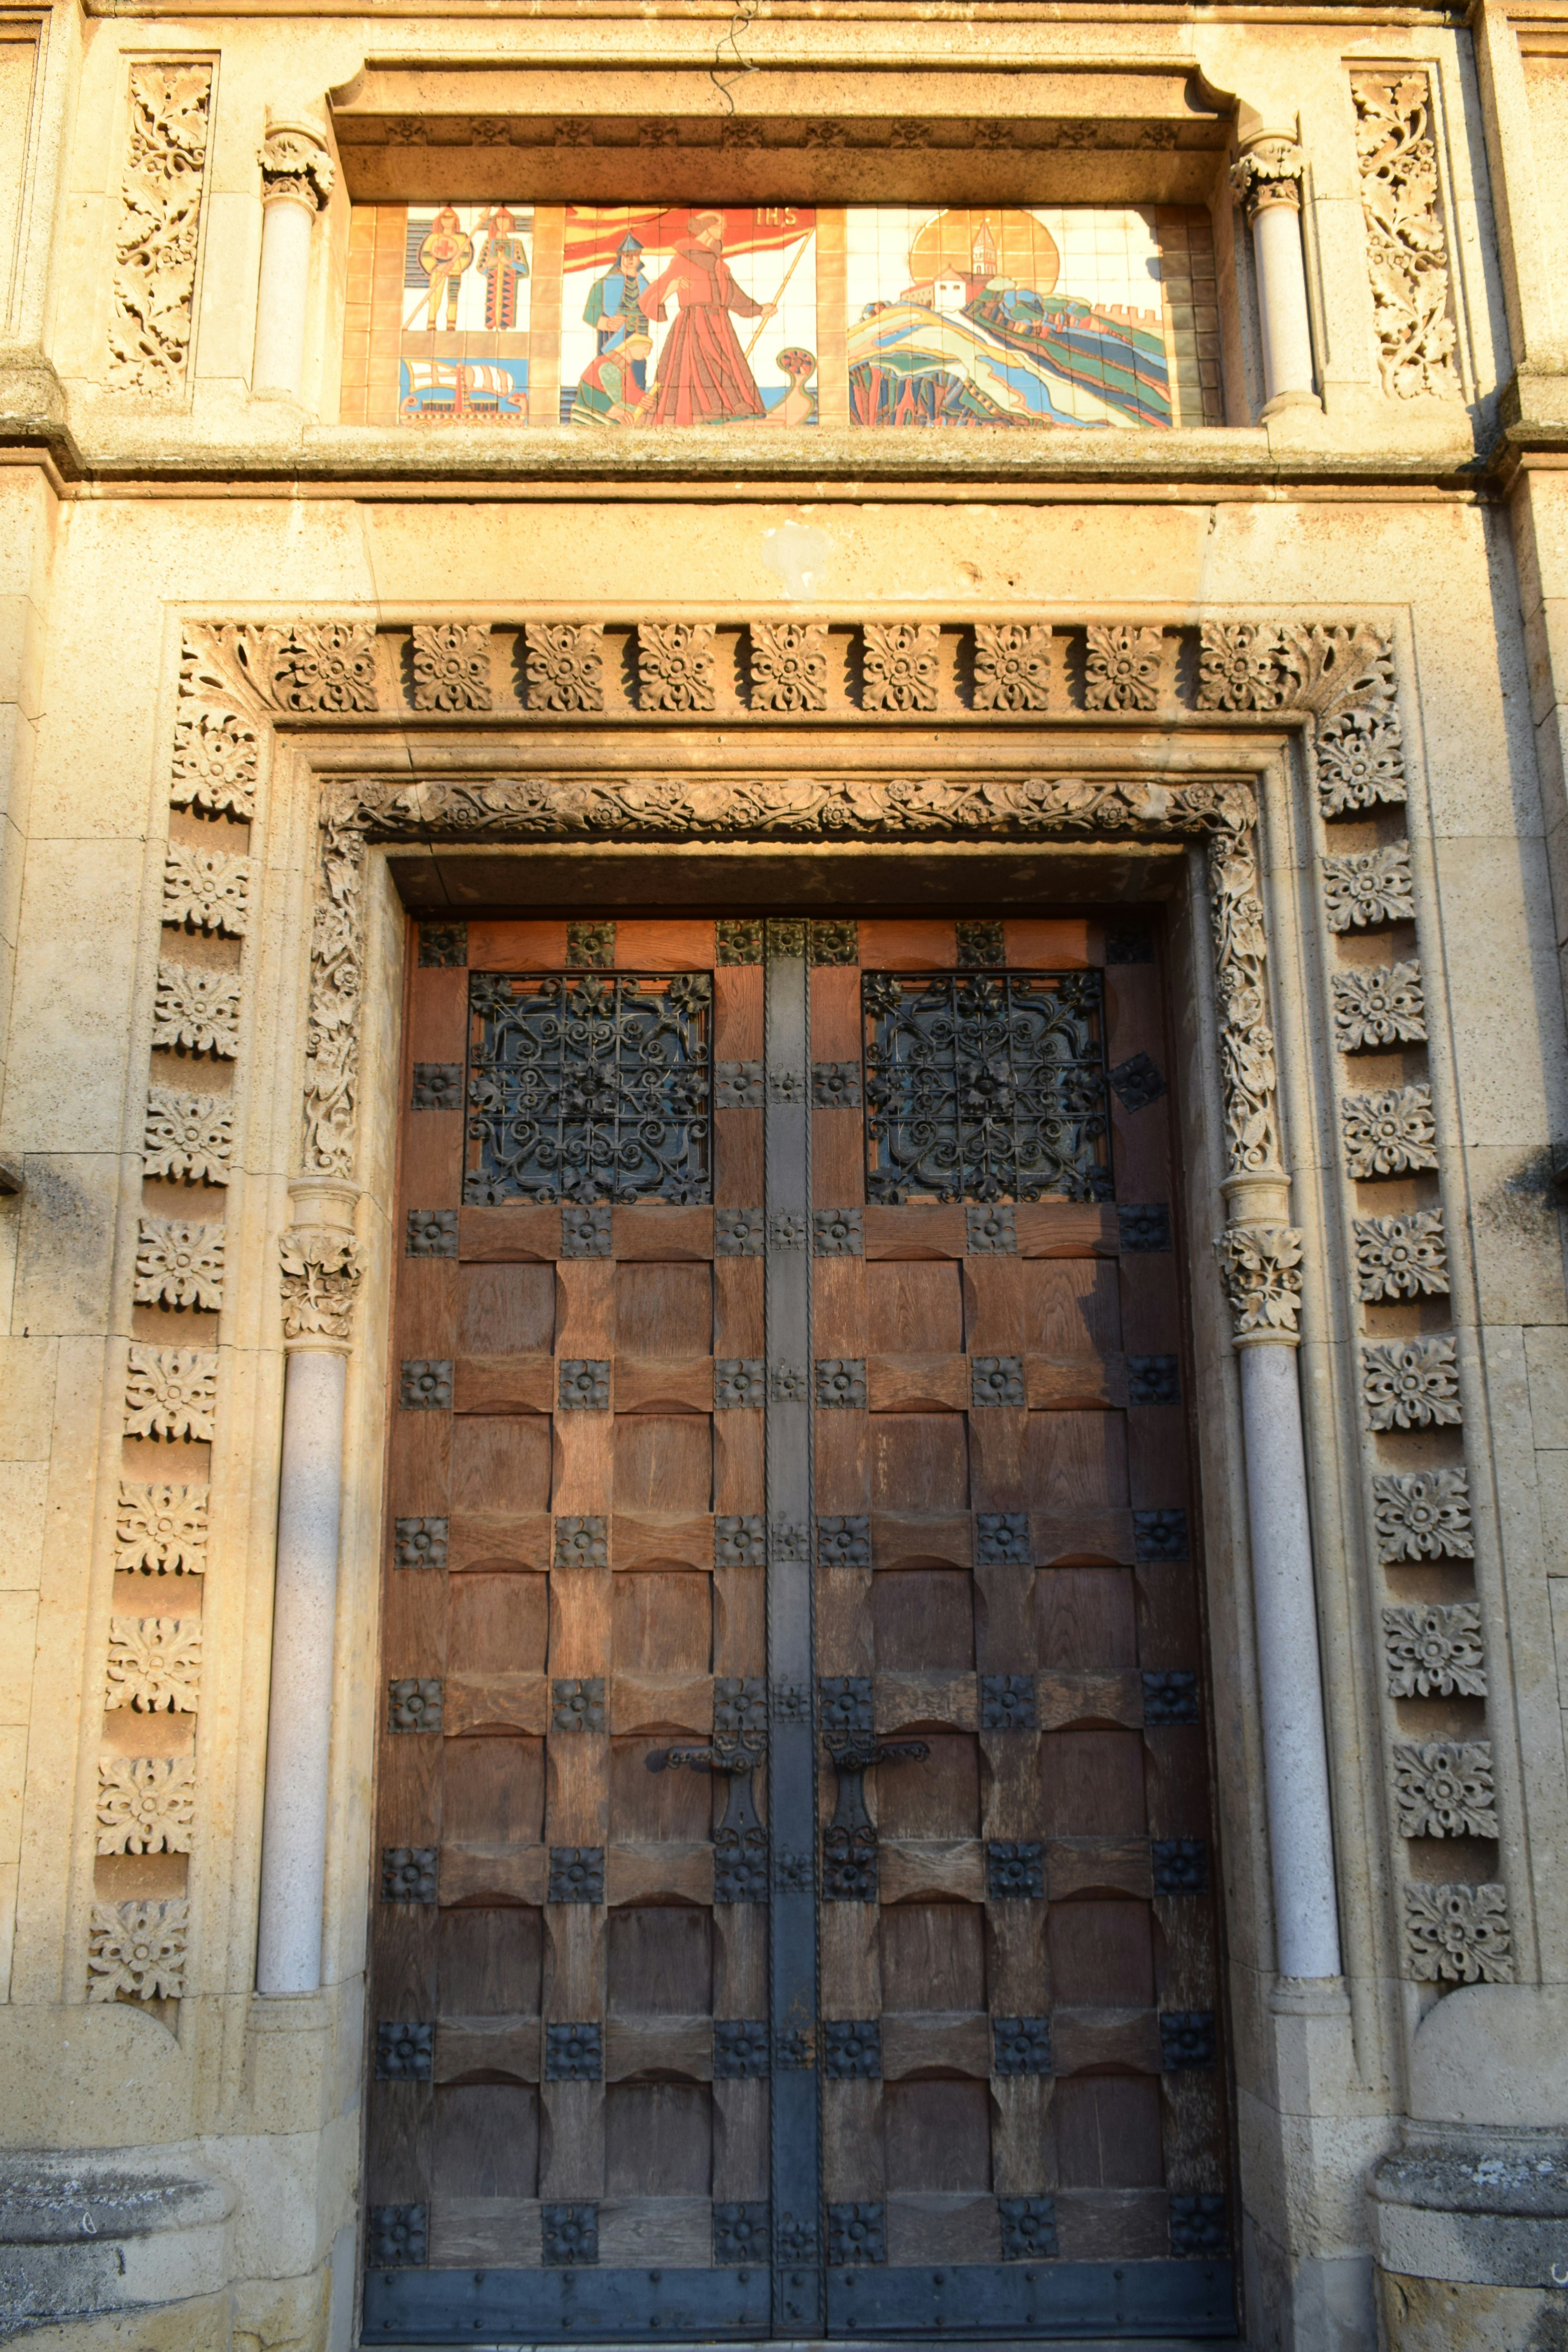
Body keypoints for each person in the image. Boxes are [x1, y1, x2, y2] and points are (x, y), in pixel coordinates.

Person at [639, 211, 777, 426]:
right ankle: (710, 409)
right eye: (722, 225)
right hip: (694, 322)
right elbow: (654, 293)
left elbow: (733, 295)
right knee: (701, 364)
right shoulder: (683, 258)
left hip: (719, 322)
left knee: (726, 363)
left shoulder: (718, 263)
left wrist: (759, 310)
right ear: (708, 228)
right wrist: (671, 290)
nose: (725, 230)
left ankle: (732, 406)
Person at [583, 234, 652, 390]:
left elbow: (655, 308)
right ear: (621, 258)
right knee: (610, 373)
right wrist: (606, 323)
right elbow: (590, 314)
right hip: (614, 337)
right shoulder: (605, 284)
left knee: (637, 376)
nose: (630, 259)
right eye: (627, 256)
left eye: (634, 256)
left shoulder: (645, 285)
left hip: (639, 336)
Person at [570, 327, 656, 425]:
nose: (648, 353)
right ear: (632, 345)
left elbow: (630, 392)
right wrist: (612, 410)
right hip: (591, 417)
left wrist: (644, 399)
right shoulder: (607, 364)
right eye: (646, 348)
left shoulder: (623, 366)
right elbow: (589, 392)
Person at [415, 205, 473, 333]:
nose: (447, 221)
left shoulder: (462, 238)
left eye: (450, 218)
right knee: (435, 297)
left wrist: (455, 265)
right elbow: (425, 255)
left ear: (455, 220)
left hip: (454, 272)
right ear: (440, 221)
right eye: (444, 218)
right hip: (437, 271)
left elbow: (466, 256)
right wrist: (438, 266)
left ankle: (451, 324)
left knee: (453, 298)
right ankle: (431, 323)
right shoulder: (433, 237)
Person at [474, 205, 530, 332]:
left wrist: (509, 263)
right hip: (493, 283)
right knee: (491, 309)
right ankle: (490, 326)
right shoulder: (489, 243)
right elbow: (480, 268)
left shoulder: (515, 244)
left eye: (506, 220)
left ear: (511, 223)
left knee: (506, 314)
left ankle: (505, 327)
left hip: (509, 284)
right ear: (495, 222)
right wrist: (489, 265)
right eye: (499, 219)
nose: (502, 223)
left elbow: (524, 270)